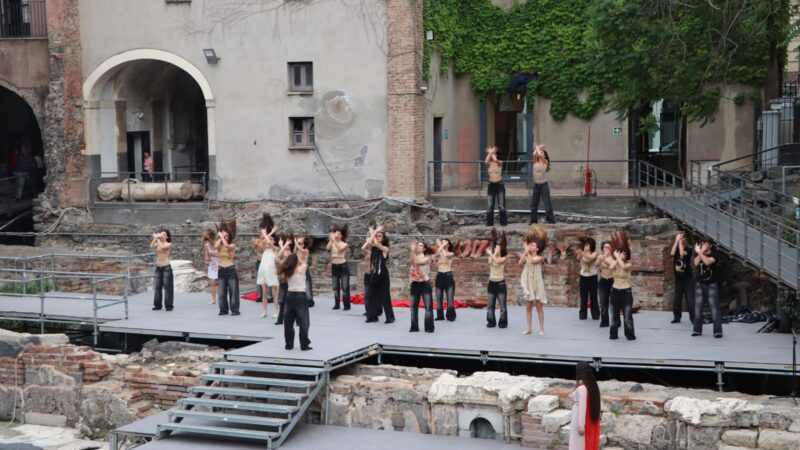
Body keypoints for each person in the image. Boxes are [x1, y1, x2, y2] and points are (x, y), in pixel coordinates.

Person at [278, 242, 312, 351]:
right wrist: (297, 258)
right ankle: (304, 344)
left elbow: (283, 262)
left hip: (289, 296)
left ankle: (289, 344)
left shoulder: (287, 272)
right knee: (304, 322)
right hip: (300, 296)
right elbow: (304, 262)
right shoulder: (302, 269)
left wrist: (290, 259)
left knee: (288, 322)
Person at [362, 226, 395, 324]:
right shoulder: (372, 250)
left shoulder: (385, 249)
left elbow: (376, 243)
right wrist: (374, 233)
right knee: (371, 296)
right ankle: (372, 317)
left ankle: (390, 318)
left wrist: (374, 231)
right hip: (374, 274)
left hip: (383, 275)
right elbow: (363, 247)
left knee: (385, 296)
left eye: (379, 236)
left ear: (383, 239)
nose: (377, 237)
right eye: (376, 236)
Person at [520, 226, 549, 336]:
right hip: (528, 283)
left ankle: (541, 329)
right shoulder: (527, 256)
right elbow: (519, 262)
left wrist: (526, 251)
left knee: (538, 307)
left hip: (537, 284)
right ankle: (529, 328)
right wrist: (525, 252)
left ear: (537, 249)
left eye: (533, 245)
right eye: (530, 244)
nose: (531, 246)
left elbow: (532, 261)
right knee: (528, 307)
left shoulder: (540, 257)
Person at [692, 238, 722, 338]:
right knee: (698, 308)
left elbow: (708, 262)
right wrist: (700, 253)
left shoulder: (715, 254)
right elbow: (696, 263)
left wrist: (700, 252)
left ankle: (717, 331)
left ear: (710, 245)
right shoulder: (699, 254)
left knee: (714, 308)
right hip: (699, 283)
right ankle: (697, 330)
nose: (702, 245)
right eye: (701, 244)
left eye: (704, 244)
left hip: (711, 284)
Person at [608, 230, 635, 340]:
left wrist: (618, 257)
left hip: (626, 292)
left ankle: (630, 335)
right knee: (614, 316)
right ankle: (613, 335)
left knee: (627, 317)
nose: (621, 255)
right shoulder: (615, 263)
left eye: (623, 254)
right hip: (615, 291)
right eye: (620, 253)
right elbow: (610, 268)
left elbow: (623, 267)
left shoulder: (628, 264)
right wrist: (616, 257)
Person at [569, 362, 601, 450]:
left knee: (577, 444)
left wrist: (581, 425)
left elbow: (582, 407)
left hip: (578, 418)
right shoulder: (592, 387)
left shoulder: (581, 389)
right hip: (585, 418)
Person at [215, 218, 240, 316]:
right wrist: (220, 237)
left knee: (233, 291)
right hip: (221, 270)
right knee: (221, 292)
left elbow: (227, 246)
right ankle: (223, 310)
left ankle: (235, 310)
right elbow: (216, 246)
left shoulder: (232, 245)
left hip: (230, 270)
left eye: (227, 236)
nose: (225, 237)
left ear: (229, 237)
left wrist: (222, 236)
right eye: (224, 236)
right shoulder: (220, 245)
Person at [255, 217, 279, 319]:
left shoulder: (276, 249)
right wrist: (269, 233)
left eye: (272, 239)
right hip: (263, 271)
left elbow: (269, 242)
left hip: (272, 271)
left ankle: (277, 311)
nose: (269, 240)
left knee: (274, 293)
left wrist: (268, 233)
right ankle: (264, 311)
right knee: (264, 292)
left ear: (274, 241)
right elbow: (262, 243)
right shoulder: (265, 249)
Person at [409, 240, 434, 333]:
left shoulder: (427, 258)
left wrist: (412, 251)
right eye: (417, 245)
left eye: (420, 246)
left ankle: (429, 327)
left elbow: (417, 262)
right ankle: (414, 327)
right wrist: (412, 251)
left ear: (424, 248)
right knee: (413, 307)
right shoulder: (413, 255)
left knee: (428, 306)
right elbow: (412, 260)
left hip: (425, 284)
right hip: (414, 283)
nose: (418, 247)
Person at [671, 232, 695, 324]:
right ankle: (677, 317)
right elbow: (672, 253)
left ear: (685, 239)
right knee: (677, 299)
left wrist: (680, 242)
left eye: (681, 238)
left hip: (688, 278)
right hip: (678, 278)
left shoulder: (689, 249)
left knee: (690, 299)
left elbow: (681, 254)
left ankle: (693, 317)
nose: (680, 240)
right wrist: (676, 241)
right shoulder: (676, 248)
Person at [486, 228, 508, 328]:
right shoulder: (491, 257)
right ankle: (491, 321)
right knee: (490, 305)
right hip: (491, 283)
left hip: (500, 284)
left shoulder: (503, 258)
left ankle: (503, 322)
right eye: (495, 248)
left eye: (498, 248)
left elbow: (497, 262)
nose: (496, 249)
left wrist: (492, 253)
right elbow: (490, 262)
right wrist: (493, 252)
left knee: (502, 305)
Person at [530, 144, 556, 224]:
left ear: (544, 155)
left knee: (547, 203)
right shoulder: (535, 161)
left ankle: (551, 220)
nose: (540, 154)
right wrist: (537, 148)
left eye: (542, 153)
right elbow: (534, 154)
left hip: (544, 185)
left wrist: (538, 148)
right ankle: (533, 221)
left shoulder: (545, 162)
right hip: (536, 185)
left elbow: (540, 156)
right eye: (540, 152)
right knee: (534, 204)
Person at [327, 224, 351, 310]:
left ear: (342, 236)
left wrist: (334, 239)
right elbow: (327, 248)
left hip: (343, 266)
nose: (336, 235)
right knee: (335, 286)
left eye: (338, 234)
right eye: (335, 233)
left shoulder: (344, 244)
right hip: (334, 266)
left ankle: (347, 305)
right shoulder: (333, 243)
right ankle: (337, 304)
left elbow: (340, 249)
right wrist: (331, 239)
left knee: (345, 287)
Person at [433, 238, 457, 321]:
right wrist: (440, 248)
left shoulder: (451, 253)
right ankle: (440, 315)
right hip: (439, 275)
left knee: (450, 297)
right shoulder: (439, 252)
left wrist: (441, 245)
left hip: (448, 275)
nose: (442, 243)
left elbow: (446, 255)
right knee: (439, 297)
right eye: (442, 242)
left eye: (445, 242)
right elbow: (434, 258)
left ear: (448, 244)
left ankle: (450, 316)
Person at [576, 237, 600, 321]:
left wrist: (583, 252)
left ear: (591, 245)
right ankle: (583, 314)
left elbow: (590, 258)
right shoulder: (582, 253)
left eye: (588, 245)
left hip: (592, 277)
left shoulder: (595, 254)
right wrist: (581, 253)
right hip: (583, 277)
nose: (586, 246)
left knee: (593, 297)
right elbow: (578, 258)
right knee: (583, 297)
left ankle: (595, 315)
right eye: (585, 244)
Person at [274, 233, 295, 325]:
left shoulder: (292, 258)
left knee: (292, 302)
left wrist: (284, 246)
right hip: (283, 282)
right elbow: (277, 256)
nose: (286, 251)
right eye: (285, 249)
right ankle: (280, 319)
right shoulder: (282, 258)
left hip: (291, 283)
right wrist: (283, 245)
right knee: (281, 301)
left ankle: (296, 320)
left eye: (288, 249)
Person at [150, 228, 173, 311]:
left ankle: (169, 305)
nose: (162, 236)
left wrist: (158, 237)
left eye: (164, 235)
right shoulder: (158, 243)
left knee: (167, 287)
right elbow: (151, 245)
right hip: (158, 267)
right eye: (161, 234)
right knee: (157, 287)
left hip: (166, 267)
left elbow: (163, 247)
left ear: (167, 237)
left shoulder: (168, 244)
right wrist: (155, 238)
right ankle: (157, 305)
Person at [485, 146, 507, 227]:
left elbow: (495, 160)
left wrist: (491, 151)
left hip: (499, 184)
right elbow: (486, 161)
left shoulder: (500, 162)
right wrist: (490, 152)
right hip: (491, 185)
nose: (491, 154)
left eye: (494, 153)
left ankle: (503, 222)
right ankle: (489, 223)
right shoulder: (489, 164)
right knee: (490, 205)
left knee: (501, 205)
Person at [597, 241, 614, 328]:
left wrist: (604, 260)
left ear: (611, 249)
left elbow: (612, 266)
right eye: (604, 247)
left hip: (612, 281)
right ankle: (604, 321)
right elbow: (596, 264)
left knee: (614, 303)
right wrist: (600, 260)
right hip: (603, 281)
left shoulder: (614, 258)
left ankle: (616, 321)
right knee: (603, 302)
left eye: (608, 247)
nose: (606, 249)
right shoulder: (601, 256)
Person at [296, 235, 315, 308]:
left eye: (301, 243)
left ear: (304, 244)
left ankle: (310, 300)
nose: (300, 245)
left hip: (304, 270)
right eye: (299, 243)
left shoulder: (306, 250)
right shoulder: (297, 250)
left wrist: (296, 244)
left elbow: (301, 261)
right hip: (298, 270)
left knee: (307, 286)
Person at [201, 228, 219, 305]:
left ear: (212, 237)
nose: (209, 241)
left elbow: (224, 254)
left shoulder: (218, 243)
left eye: (209, 239)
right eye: (207, 240)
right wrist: (207, 261)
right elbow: (206, 257)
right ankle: (213, 299)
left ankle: (222, 297)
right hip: (212, 264)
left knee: (222, 282)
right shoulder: (207, 245)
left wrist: (216, 254)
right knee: (212, 282)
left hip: (220, 263)